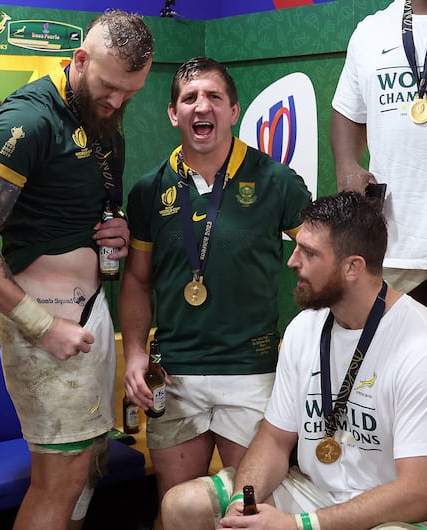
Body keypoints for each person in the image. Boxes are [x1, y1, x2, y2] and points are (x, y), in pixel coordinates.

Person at [0, 10, 154, 530]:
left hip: (89, 314)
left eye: (131, 91)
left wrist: (115, 230)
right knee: (58, 483)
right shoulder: (28, 119)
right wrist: (41, 326)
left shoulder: (103, 119)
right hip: (47, 327)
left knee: (82, 478)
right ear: (79, 60)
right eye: (108, 86)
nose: (118, 101)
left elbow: (81, 209)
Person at [161, 191, 427, 530]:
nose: (292, 261)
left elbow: (417, 495)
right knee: (184, 505)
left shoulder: (425, 348)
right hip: (317, 490)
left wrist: (300, 525)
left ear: (353, 267)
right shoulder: (303, 329)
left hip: (406, 508)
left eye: (308, 252)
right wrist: (243, 500)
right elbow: (275, 440)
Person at [119, 56, 312, 529]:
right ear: (173, 113)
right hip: (175, 376)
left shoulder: (276, 181)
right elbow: (137, 281)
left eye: (213, 97)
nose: (200, 106)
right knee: (176, 506)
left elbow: (319, 257)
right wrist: (137, 355)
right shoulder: (148, 191)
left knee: (248, 509)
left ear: (233, 110)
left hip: (251, 372)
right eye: (189, 98)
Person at [331, 0, 427, 465]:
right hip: (394, 241)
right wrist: (349, 165)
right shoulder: (371, 31)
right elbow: (347, 112)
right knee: (386, 378)